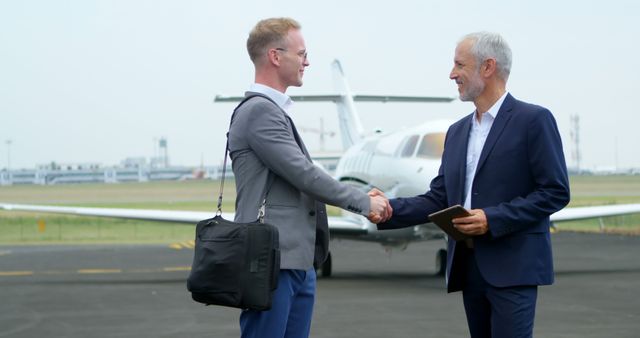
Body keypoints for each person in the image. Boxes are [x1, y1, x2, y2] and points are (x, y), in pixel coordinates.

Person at [375, 32, 570, 337]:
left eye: (459, 65)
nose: (452, 74)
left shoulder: (534, 120)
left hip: (513, 268)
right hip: (469, 266)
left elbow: (555, 192)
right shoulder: (456, 131)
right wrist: (387, 209)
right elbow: (439, 198)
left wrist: (492, 219)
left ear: (488, 67)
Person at [228, 17, 391, 338]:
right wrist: (363, 202)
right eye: (301, 54)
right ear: (276, 56)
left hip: (295, 260)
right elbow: (304, 175)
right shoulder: (259, 111)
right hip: (271, 261)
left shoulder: (272, 111)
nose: (307, 62)